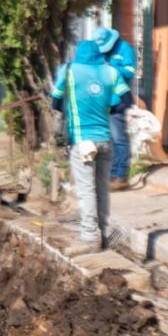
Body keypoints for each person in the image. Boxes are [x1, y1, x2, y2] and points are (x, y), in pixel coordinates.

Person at [50, 40, 130, 252]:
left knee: (86, 190)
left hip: (82, 140)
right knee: (102, 188)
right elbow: (126, 99)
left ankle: (89, 238)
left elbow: (55, 101)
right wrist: (108, 110)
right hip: (105, 139)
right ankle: (102, 234)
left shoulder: (69, 70)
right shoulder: (110, 72)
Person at [90, 26, 136, 191]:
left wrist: (111, 68)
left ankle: (121, 176)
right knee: (106, 142)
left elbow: (130, 72)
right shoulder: (98, 51)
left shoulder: (124, 49)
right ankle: (109, 175)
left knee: (119, 139)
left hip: (118, 101)